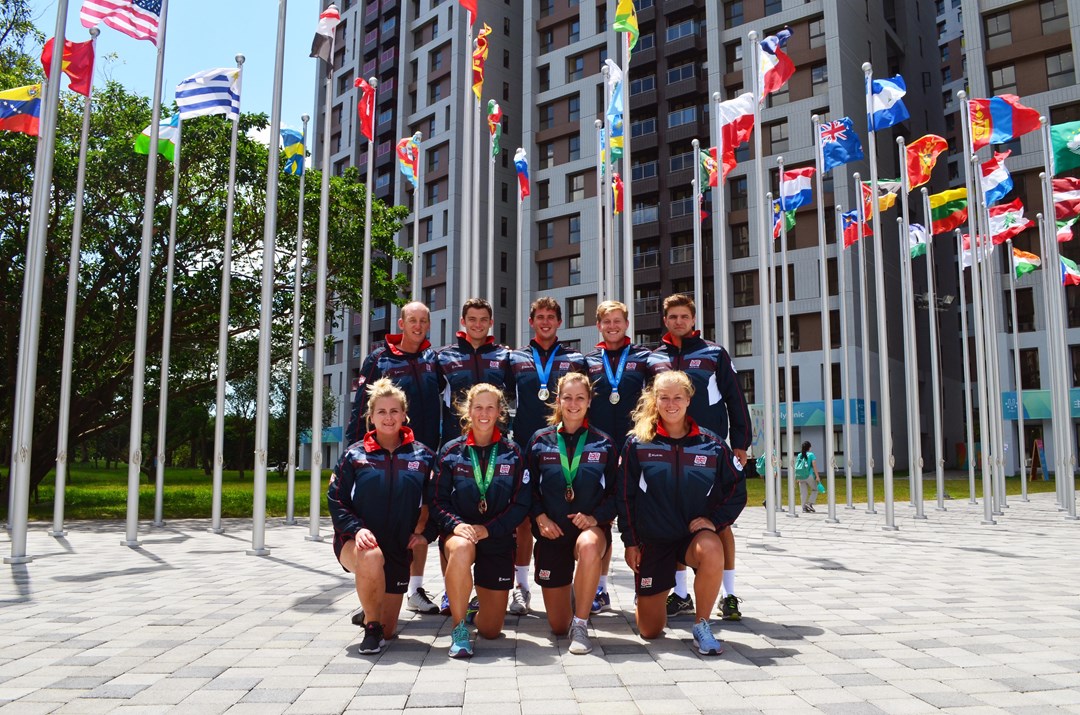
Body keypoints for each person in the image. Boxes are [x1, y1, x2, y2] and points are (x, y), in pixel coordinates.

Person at [617, 371, 747, 655]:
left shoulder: (712, 444)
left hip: (691, 537)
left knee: (712, 548)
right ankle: (649, 596)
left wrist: (714, 521)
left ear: (689, 399)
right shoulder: (638, 443)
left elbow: (737, 488)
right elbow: (624, 496)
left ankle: (702, 624)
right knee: (650, 631)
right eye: (664, 397)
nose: (671, 403)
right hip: (655, 539)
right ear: (655, 400)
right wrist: (630, 541)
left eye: (678, 397)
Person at [651, 294, 751, 622]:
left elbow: (735, 398)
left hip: (710, 452)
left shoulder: (713, 353)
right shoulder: (653, 358)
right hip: (667, 452)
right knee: (676, 519)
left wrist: (740, 443)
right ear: (665, 320)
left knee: (720, 521)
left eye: (684, 316)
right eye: (673, 316)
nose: (679, 321)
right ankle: (681, 595)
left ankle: (730, 594)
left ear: (693, 320)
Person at [344, 301, 442, 617]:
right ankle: (372, 599)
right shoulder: (379, 359)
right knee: (382, 522)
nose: (417, 326)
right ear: (401, 323)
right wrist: (352, 454)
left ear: (428, 324)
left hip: (422, 458)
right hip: (383, 458)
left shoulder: (432, 360)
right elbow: (362, 409)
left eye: (423, 321)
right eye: (411, 320)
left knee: (420, 520)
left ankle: (414, 589)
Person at [327, 378, 437, 655]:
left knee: (392, 630)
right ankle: (371, 626)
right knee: (371, 556)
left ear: (404, 414)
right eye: (382, 412)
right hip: (357, 542)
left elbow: (438, 501)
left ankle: (369, 615)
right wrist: (355, 530)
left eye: (394, 411)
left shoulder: (423, 456)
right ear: (371, 417)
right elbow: (336, 500)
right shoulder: (354, 455)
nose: (388, 418)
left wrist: (427, 533)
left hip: (399, 548)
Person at [432, 384, 531, 658]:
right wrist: (457, 526)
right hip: (460, 534)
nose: (484, 413)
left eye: (490, 407)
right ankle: (459, 629)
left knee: (491, 630)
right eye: (478, 407)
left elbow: (520, 505)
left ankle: (473, 608)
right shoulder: (452, 451)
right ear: (468, 411)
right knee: (462, 547)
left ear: (500, 412)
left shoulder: (513, 452)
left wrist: (488, 530)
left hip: (497, 539)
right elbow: (437, 501)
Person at [526, 372, 617, 655]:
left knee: (589, 545)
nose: (574, 403)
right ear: (558, 400)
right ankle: (576, 596)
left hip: (589, 530)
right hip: (552, 533)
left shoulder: (604, 443)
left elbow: (619, 494)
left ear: (589, 401)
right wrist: (540, 518)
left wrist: (595, 518)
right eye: (568, 397)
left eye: (580, 397)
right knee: (556, 626)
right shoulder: (540, 440)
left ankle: (581, 623)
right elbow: (525, 489)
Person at [507, 297, 587, 615]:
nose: (545, 321)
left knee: (571, 513)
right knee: (525, 521)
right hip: (527, 448)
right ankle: (521, 587)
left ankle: (580, 586)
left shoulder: (575, 359)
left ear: (559, 322)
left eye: (551, 317)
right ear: (531, 321)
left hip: (566, 451)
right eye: (539, 316)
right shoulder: (514, 358)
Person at [434, 298, 513, 614]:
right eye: (472, 319)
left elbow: (515, 400)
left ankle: (498, 587)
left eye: (483, 319)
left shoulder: (504, 356)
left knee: (495, 511)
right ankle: (449, 590)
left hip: (494, 448)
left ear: (490, 323)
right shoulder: (444, 357)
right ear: (463, 321)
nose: (478, 324)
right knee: (449, 516)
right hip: (456, 448)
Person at [584, 300, 655, 614]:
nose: (612, 326)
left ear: (627, 323)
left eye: (617, 321)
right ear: (598, 326)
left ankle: (646, 586)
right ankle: (599, 589)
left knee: (641, 519)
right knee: (602, 518)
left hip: (635, 449)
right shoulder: (587, 362)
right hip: (599, 453)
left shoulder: (644, 359)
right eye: (606, 322)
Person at [795, 441, 821, 513]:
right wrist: (817, 476)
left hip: (800, 476)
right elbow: (814, 465)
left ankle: (804, 508)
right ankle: (809, 503)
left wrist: (797, 477)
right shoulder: (811, 454)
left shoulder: (799, 455)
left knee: (803, 493)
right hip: (808, 475)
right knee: (815, 489)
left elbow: (796, 466)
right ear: (809, 447)